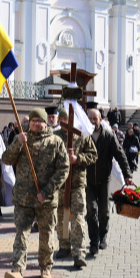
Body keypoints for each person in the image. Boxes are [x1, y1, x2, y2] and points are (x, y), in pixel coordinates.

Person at [2, 108, 69, 278]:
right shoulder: (22, 139)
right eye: (34, 121)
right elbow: (6, 159)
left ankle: (45, 267)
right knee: (21, 234)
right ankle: (17, 270)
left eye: (40, 121)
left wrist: (46, 191)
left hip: (45, 200)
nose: (37, 124)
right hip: (24, 198)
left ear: (46, 123)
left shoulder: (55, 141)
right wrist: (17, 142)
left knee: (46, 235)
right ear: (29, 123)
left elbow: (63, 169)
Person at [86, 108, 134, 255]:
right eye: (90, 119)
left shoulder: (108, 135)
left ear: (100, 120)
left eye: (95, 119)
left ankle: (103, 236)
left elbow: (120, 155)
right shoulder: (84, 135)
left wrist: (127, 175)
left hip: (104, 179)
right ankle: (93, 242)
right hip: (88, 181)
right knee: (91, 210)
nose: (93, 121)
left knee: (104, 211)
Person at [53, 109, 98, 269]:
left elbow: (93, 155)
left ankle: (79, 251)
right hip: (60, 183)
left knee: (78, 217)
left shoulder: (82, 135)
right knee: (62, 215)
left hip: (77, 183)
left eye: (66, 120)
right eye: (62, 120)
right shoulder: (55, 136)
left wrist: (77, 159)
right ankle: (64, 245)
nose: (63, 123)